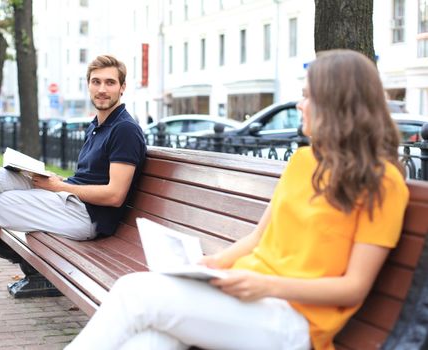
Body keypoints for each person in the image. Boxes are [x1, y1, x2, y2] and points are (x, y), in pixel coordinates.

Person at [65, 49, 409, 350]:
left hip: (293, 320)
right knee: (153, 340)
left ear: (339, 103)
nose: (300, 104)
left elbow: (353, 288)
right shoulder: (304, 162)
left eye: (309, 95)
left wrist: (267, 285)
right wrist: (209, 265)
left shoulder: (383, 183)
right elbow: (258, 238)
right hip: (245, 297)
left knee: (134, 293)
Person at [0, 54, 146, 321]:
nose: (102, 89)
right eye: (96, 81)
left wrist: (58, 186)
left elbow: (114, 195)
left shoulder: (124, 130)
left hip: (87, 216)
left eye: (110, 82)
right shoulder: (98, 126)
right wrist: (50, 179)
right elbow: (89, 177)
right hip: (70, 199)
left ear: (122, 87)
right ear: (88, 85)